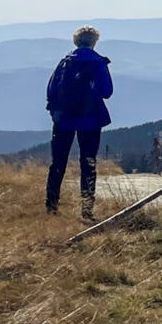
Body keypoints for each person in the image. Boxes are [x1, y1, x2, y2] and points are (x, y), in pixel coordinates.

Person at [45, 26, 114, 220]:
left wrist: (55, 113)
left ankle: (51, 206)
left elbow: (51, 90)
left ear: (76, 41)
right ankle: (87, 209)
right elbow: (107, 91)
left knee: (58, 163)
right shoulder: (99, 63)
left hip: (64, 119)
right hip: (91, 119)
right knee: (88, 162)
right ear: (94, 42)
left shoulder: (65, 62)